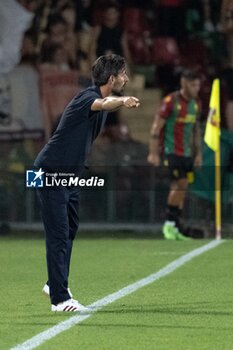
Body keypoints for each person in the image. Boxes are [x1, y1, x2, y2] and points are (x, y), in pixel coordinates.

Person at [34, 54, 140, 312]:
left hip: (69, 175)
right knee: (58, 234)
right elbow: (103, 104)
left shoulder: (95, 98)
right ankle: (59, 299)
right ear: (111, 78)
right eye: (123, 74)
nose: (126, 78)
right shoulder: (88, 97)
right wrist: (123, 101)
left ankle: (54, 282)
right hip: (50, 172)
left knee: (70, 229)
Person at [148, 69, 202, 241]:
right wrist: (153, 153)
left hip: (186, 154)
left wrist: (198, 153)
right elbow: (156, 127)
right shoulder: (171, 101)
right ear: (184, 83)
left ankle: (175, 224)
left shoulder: (195, 104)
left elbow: (195, 131)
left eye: (198, 85)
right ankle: (170, 224)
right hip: (171, 152)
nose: (197, 89)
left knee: (182, 187)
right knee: (179, 184)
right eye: (193, 85)